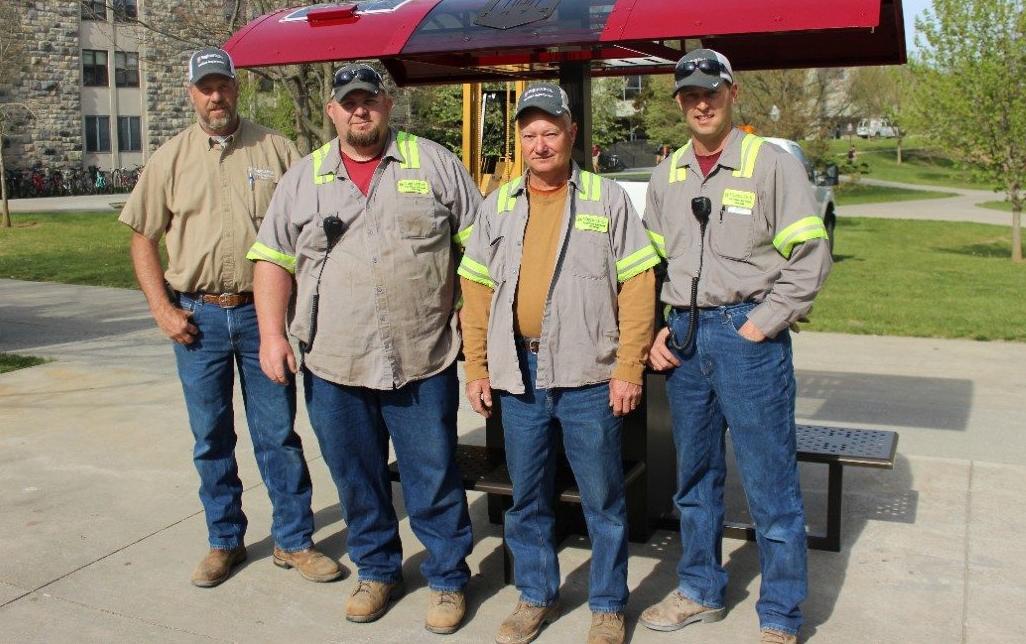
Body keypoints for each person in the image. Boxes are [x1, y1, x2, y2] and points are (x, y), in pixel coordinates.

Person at [248, 64, 481, 635]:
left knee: (433, 474)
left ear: (388, 104)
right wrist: (273, 335)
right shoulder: (302, 180)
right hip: (334, 363)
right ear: (332, 110)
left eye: (369, 101)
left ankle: (449, 578)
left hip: (423, 358)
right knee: (356, 477)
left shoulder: (435, 165)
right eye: (348, 102)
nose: (360, 111)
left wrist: (478, 339)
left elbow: (480, 251)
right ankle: (377, 570)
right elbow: (272, 259)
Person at [119, 47, 341, 589]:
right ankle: (224, 541)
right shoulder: (169, 159)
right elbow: (141, 239)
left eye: (223, 85)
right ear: (191, 93)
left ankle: (293, 540)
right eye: (205, 87)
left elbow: (314, 227)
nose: (215, 96)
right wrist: (162, 310)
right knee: (211, 436)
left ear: (237, 88)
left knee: (277, 434)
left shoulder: (278, 149)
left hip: (263, 319)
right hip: (197, 320)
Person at [638, 49, 832, 644]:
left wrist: (763, 323)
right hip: (687, 339)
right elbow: (647, 266)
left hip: (748, 336)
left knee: (771, 482)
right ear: (678, 103)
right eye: (690, 94)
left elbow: (811, 256)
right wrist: (653, 332)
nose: (702, 103)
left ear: (732, 94)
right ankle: (699, 589)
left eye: (712, 92)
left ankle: (779, 614)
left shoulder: (769, 164)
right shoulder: (666, 174)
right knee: (694, 478)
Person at [459, 83, 658, 644]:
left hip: (590, 377)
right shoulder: (496, 203)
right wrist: (477, 367)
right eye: (530, 134)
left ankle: (608, 606)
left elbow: (639, 282)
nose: (541, 144)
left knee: (603, 499)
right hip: (519, 375)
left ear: (572, 133)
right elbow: (474, 288)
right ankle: (535, 596)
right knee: (527, 500)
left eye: (551, 132)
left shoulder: (606, 198)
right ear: (519, 140)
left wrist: (629, 367)